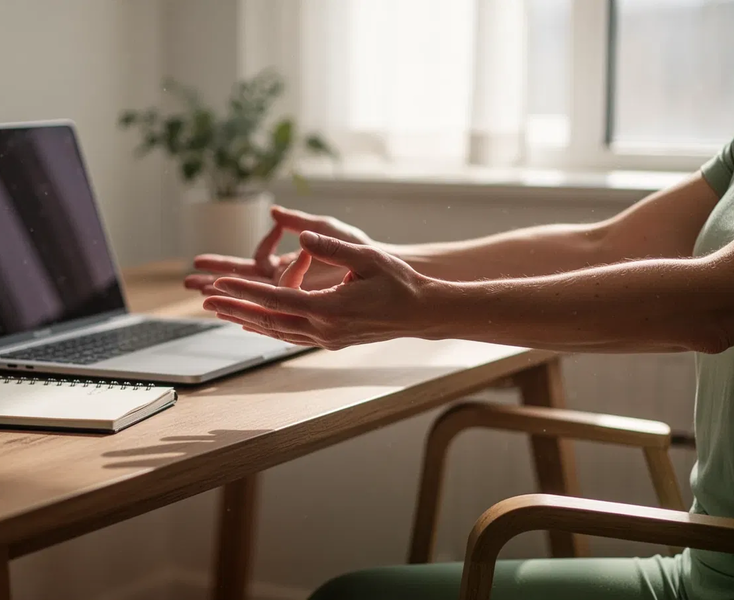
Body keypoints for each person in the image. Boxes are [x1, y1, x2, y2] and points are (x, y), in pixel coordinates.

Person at [184, 139, 734, 599]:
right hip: (705, 559)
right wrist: (383, 260)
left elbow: (712, 307)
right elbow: (607, 245)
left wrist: (425, 306)